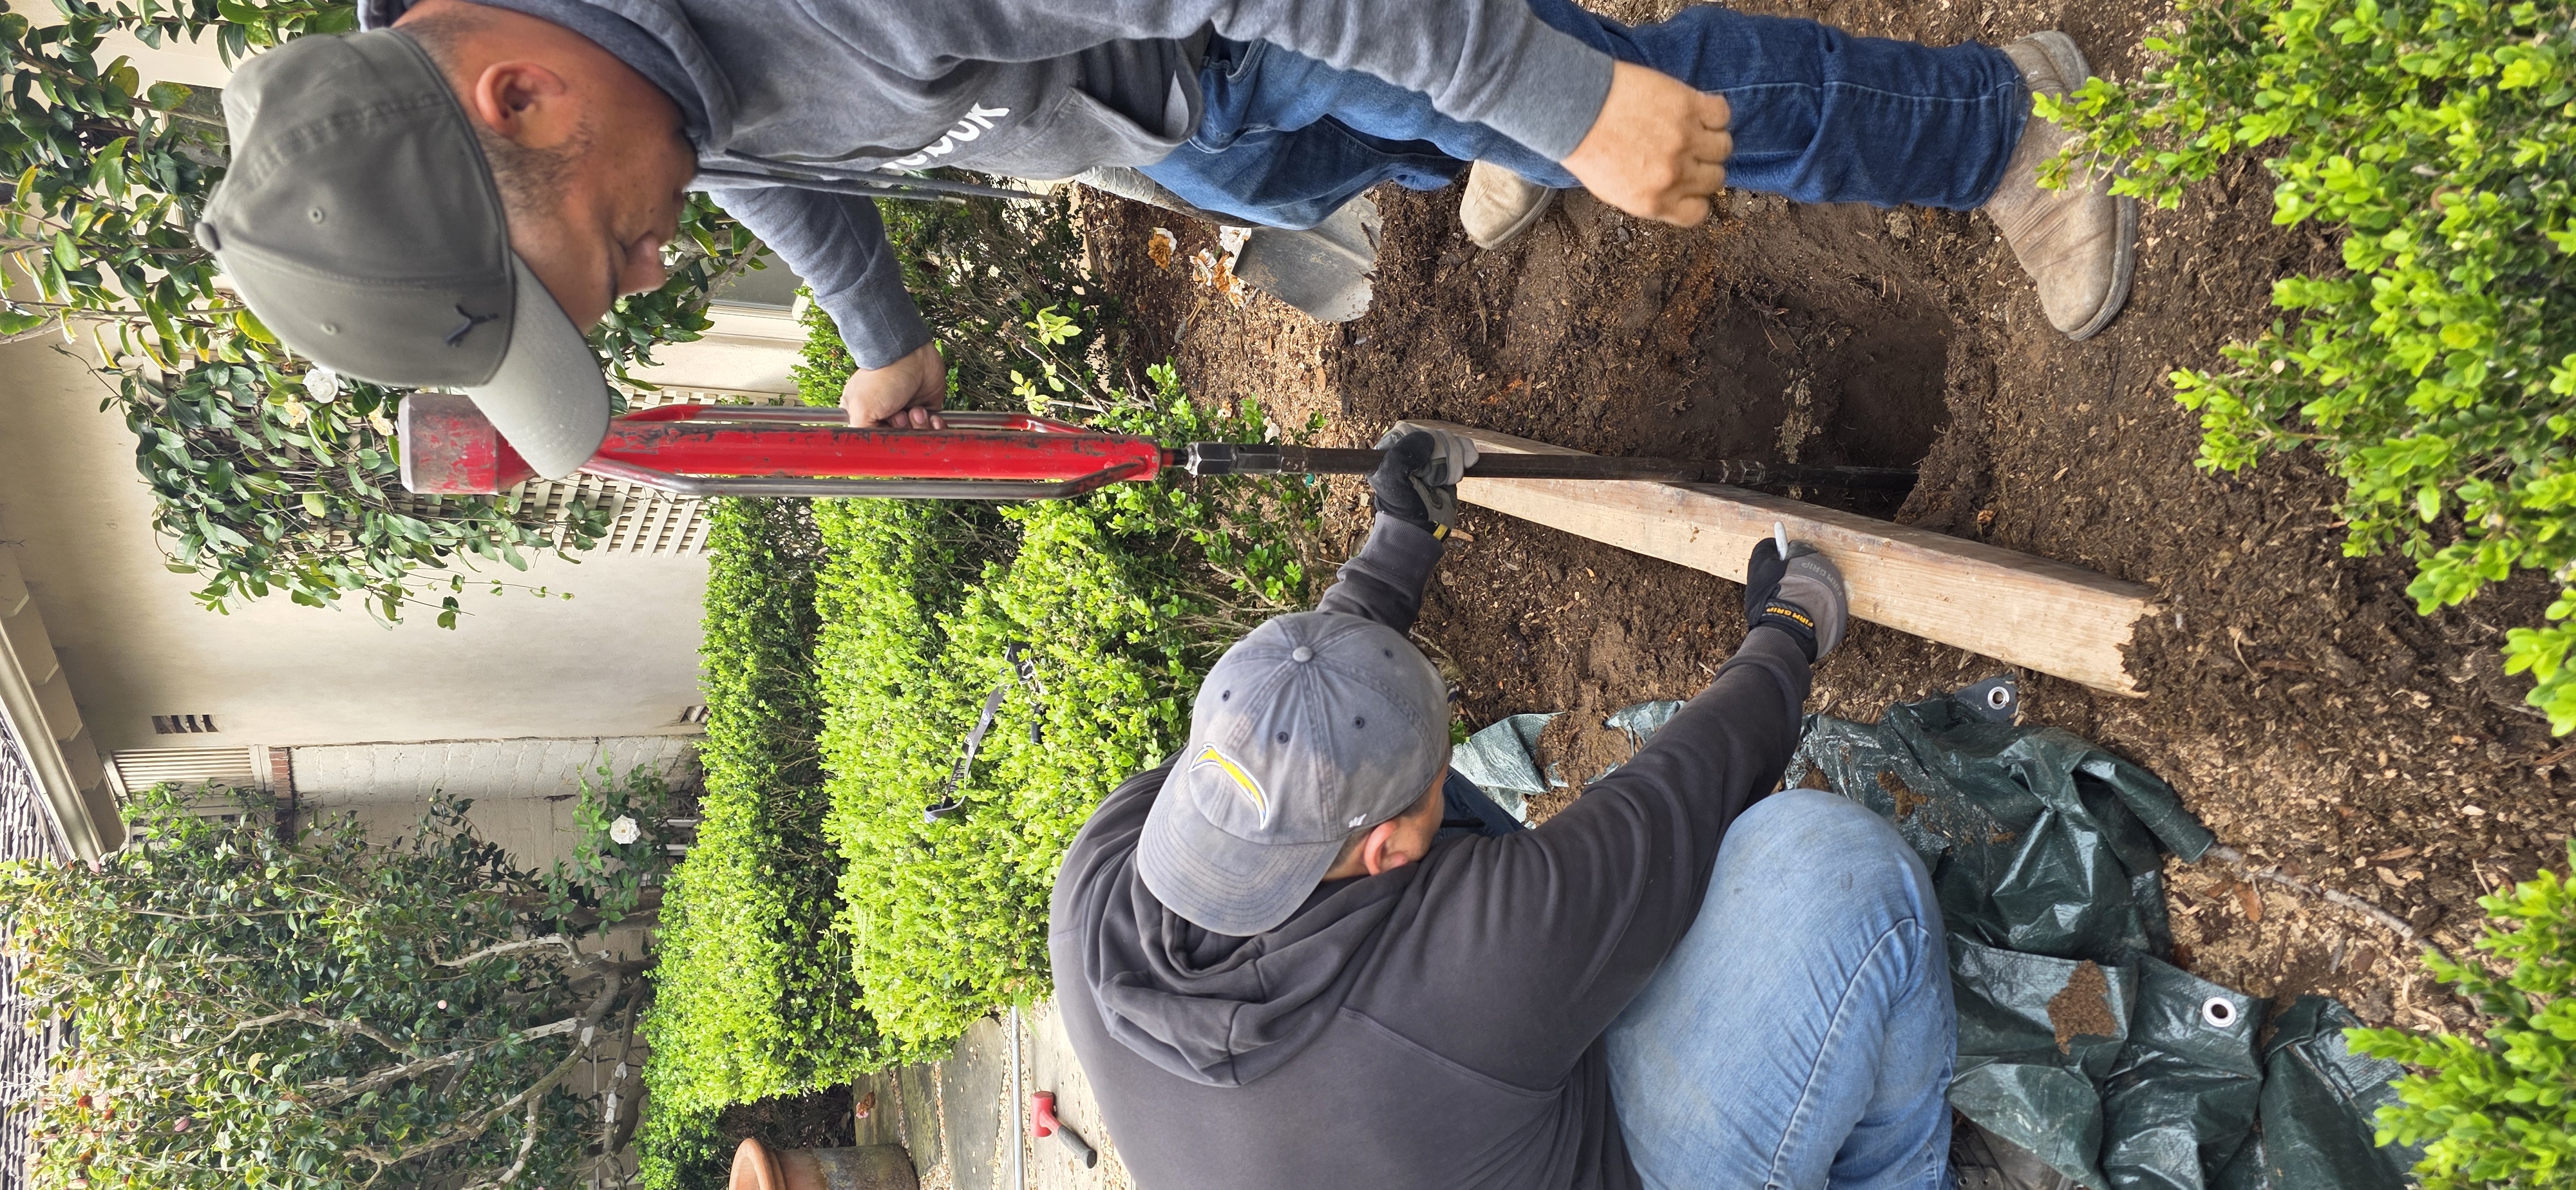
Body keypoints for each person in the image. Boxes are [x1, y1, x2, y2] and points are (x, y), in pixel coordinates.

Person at [196, 1, 2132, 481]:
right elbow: (725, 154)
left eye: (590, 274)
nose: (636, 279)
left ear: (512, 105)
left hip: (1219, 32)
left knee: (1618, 88)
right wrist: (874, 324)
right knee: (1426, 122)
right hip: (1157, 111)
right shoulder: (617, 90)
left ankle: (2000, 126)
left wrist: (1554, 101)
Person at [1048, 425, 1956, 1189]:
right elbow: (1678, 800)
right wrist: (1789, 634)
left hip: (1427, 1140)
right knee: (1833, 875)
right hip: (1564, 1148)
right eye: (1430, 781)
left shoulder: (1101, 876)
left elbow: (1292, 730)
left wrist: (1400, 542)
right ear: (1386, 851)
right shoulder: (1467, 976)